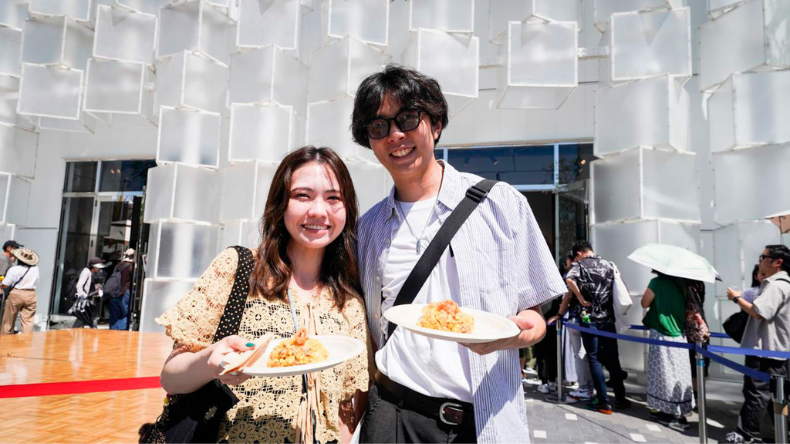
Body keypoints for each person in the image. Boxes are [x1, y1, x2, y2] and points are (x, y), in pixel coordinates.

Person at [352, 64, 567, 443]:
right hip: (392, 414)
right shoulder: (368, 227)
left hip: (483, 419)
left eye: (407, 118)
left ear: (435, 125)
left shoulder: (500, 203)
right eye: (379, 126)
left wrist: (513, 337)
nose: (396, 135)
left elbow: (536, 317)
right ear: (370, 141)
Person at [156, 146, 370, 443]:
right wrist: (209, 362)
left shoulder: (349, 303)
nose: (319, 211)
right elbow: (171, 376)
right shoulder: (238, 268)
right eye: (302, 196)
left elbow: (346, 408)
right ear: (280, 204)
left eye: (333, 198)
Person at [723, 245, 790, 444]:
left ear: (778, 262)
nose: (760, 260)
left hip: (765, 350)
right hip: (778, 350)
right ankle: (782, 433)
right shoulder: (781, 284)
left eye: (764, 257)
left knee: (756, 393)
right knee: (777, 395)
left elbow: (759, 312)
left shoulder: (777, 286)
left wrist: (736, 298)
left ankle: (745, 435)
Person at [565, 240, 630, 414]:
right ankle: (621, 399)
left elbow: (569, 280)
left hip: (589, 318)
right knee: (613, 359)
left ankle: (604, 402)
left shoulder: (580, 265)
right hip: (608, 318)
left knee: (594, 358)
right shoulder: (609, 264)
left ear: (578, 253)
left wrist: (580, 298)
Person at [641, 271, 696, 431]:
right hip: (680, 334)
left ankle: (669, 412)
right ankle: (680, 410)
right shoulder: (683, 283)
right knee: (679, 373)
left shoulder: (657, 282)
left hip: (662, 332)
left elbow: (645, 303)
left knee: (664, 374)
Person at [548, 253, 594, 401]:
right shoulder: (595, 270)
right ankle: (589, 387)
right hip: (593, 317)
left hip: (575, 316)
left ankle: (584, 388)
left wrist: (560, 314)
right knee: (591, 354)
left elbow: (568, 294)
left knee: (579, 354)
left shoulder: (574, 271)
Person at [0, 248, 40, 334]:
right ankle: (26, 343)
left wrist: (1, 285)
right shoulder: (35, 269)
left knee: (8, 320)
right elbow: (37, 282)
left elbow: (6, 284)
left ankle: (5, 341)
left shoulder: (14, 269)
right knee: (28, 321)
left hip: (17, 293)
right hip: (31, 293)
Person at [71, 258, 109, 328]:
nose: (99, 269)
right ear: (94, 266)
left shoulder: (89, 272)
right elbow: (79, 285)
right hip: (85, 301)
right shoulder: (86, 272)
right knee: (86, 319)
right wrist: (82, 296)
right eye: (98, 267)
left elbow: (88, 285)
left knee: (85, 318)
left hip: (88, 300)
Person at [108, 248, 135, 330]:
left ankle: (112, 333)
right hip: (124, 293)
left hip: (114, 293)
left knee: (114, 315)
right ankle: (121, 335)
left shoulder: (118, 265)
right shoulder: (131, 267)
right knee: (124, 314)